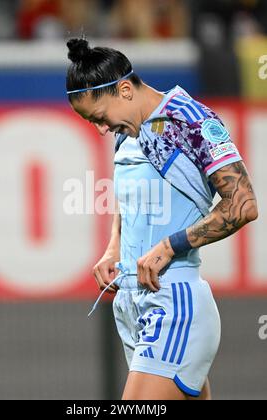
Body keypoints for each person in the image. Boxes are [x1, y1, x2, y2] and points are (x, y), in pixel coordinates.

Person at [65, 38, 258, 400]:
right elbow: (129, 200)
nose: (101, 130)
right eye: (92, 122)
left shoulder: (190, 120)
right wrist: (113, 249)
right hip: (135, 306)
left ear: (124, 89)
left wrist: (172, 245)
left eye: (100, 117)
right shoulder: (127, 131)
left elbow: (243, 203)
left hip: (174, 304)